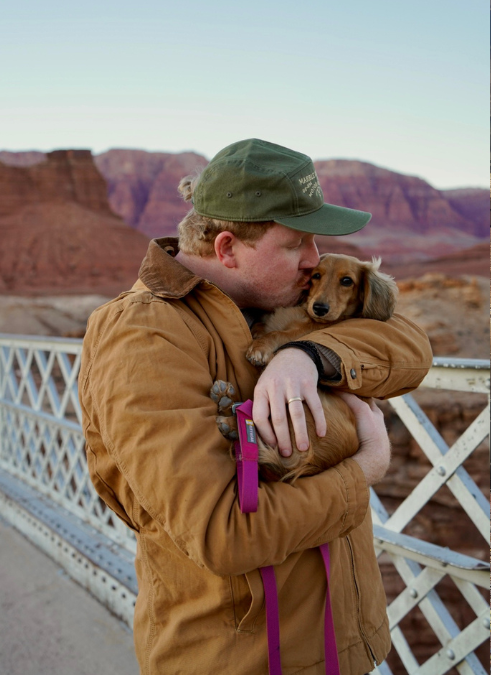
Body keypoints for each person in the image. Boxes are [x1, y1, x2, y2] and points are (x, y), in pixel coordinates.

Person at [80, 138, 433, 675]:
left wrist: (307, 355)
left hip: (339, 648)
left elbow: (409, 344)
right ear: (226, 248)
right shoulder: (145, 336)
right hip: (238, 660)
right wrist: (363, 470)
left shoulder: (287, 300)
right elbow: (224, 534)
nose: (314, 262)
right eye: (296, 244)